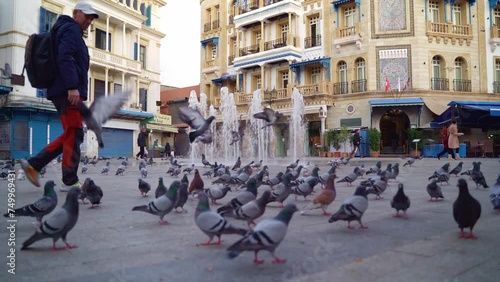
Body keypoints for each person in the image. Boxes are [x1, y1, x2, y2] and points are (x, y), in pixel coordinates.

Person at [21, 2, 98, 191]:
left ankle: (35, 165)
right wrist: (72, 87)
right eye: (86, 16)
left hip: (63, 90)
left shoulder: (67, 30)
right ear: (75, 13)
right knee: (74, 132)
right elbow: (66, 57)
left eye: (91, 18)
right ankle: (68, 180)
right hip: (67, 91)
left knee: (72, 132)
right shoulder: (70, 30)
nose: (89, 21)